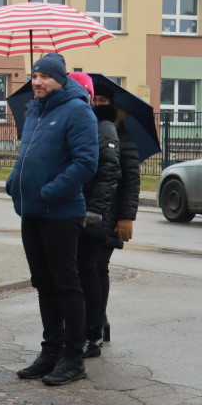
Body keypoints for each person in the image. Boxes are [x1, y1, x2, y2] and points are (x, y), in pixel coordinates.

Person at [7, 53, 98, 387]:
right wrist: (13, 182)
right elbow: (26, 155)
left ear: (61, 80)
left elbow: (86, 163)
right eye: (34, 76)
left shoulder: (78, 111)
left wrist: (49, 191)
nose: (36, 82)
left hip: (60, 213)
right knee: (43, 284)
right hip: (31, 212)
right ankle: (50, 351)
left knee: (66, 284)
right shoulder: (34, 111)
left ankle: (73, 358)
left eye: (43, 76)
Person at [66, 72, 120, 360]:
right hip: (66, 212)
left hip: (93, 215)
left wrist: (96, 212)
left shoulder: (104, 127)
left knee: (91, 271)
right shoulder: (66, 122)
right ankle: (76, 330)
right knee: (72, 273)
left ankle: (94, 332)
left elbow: (113, 174)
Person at [92, 78, 139, 346]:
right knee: (87, 269)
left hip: (112, 215)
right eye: (93, 99)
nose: (97, 103)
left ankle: (98, 323)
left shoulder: (124, 137)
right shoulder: (85, 130)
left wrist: (126, 217)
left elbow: (132, 180)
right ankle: (97, 319)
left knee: (98, 268)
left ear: (111, 104)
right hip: (90, 213)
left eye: (103, 100)